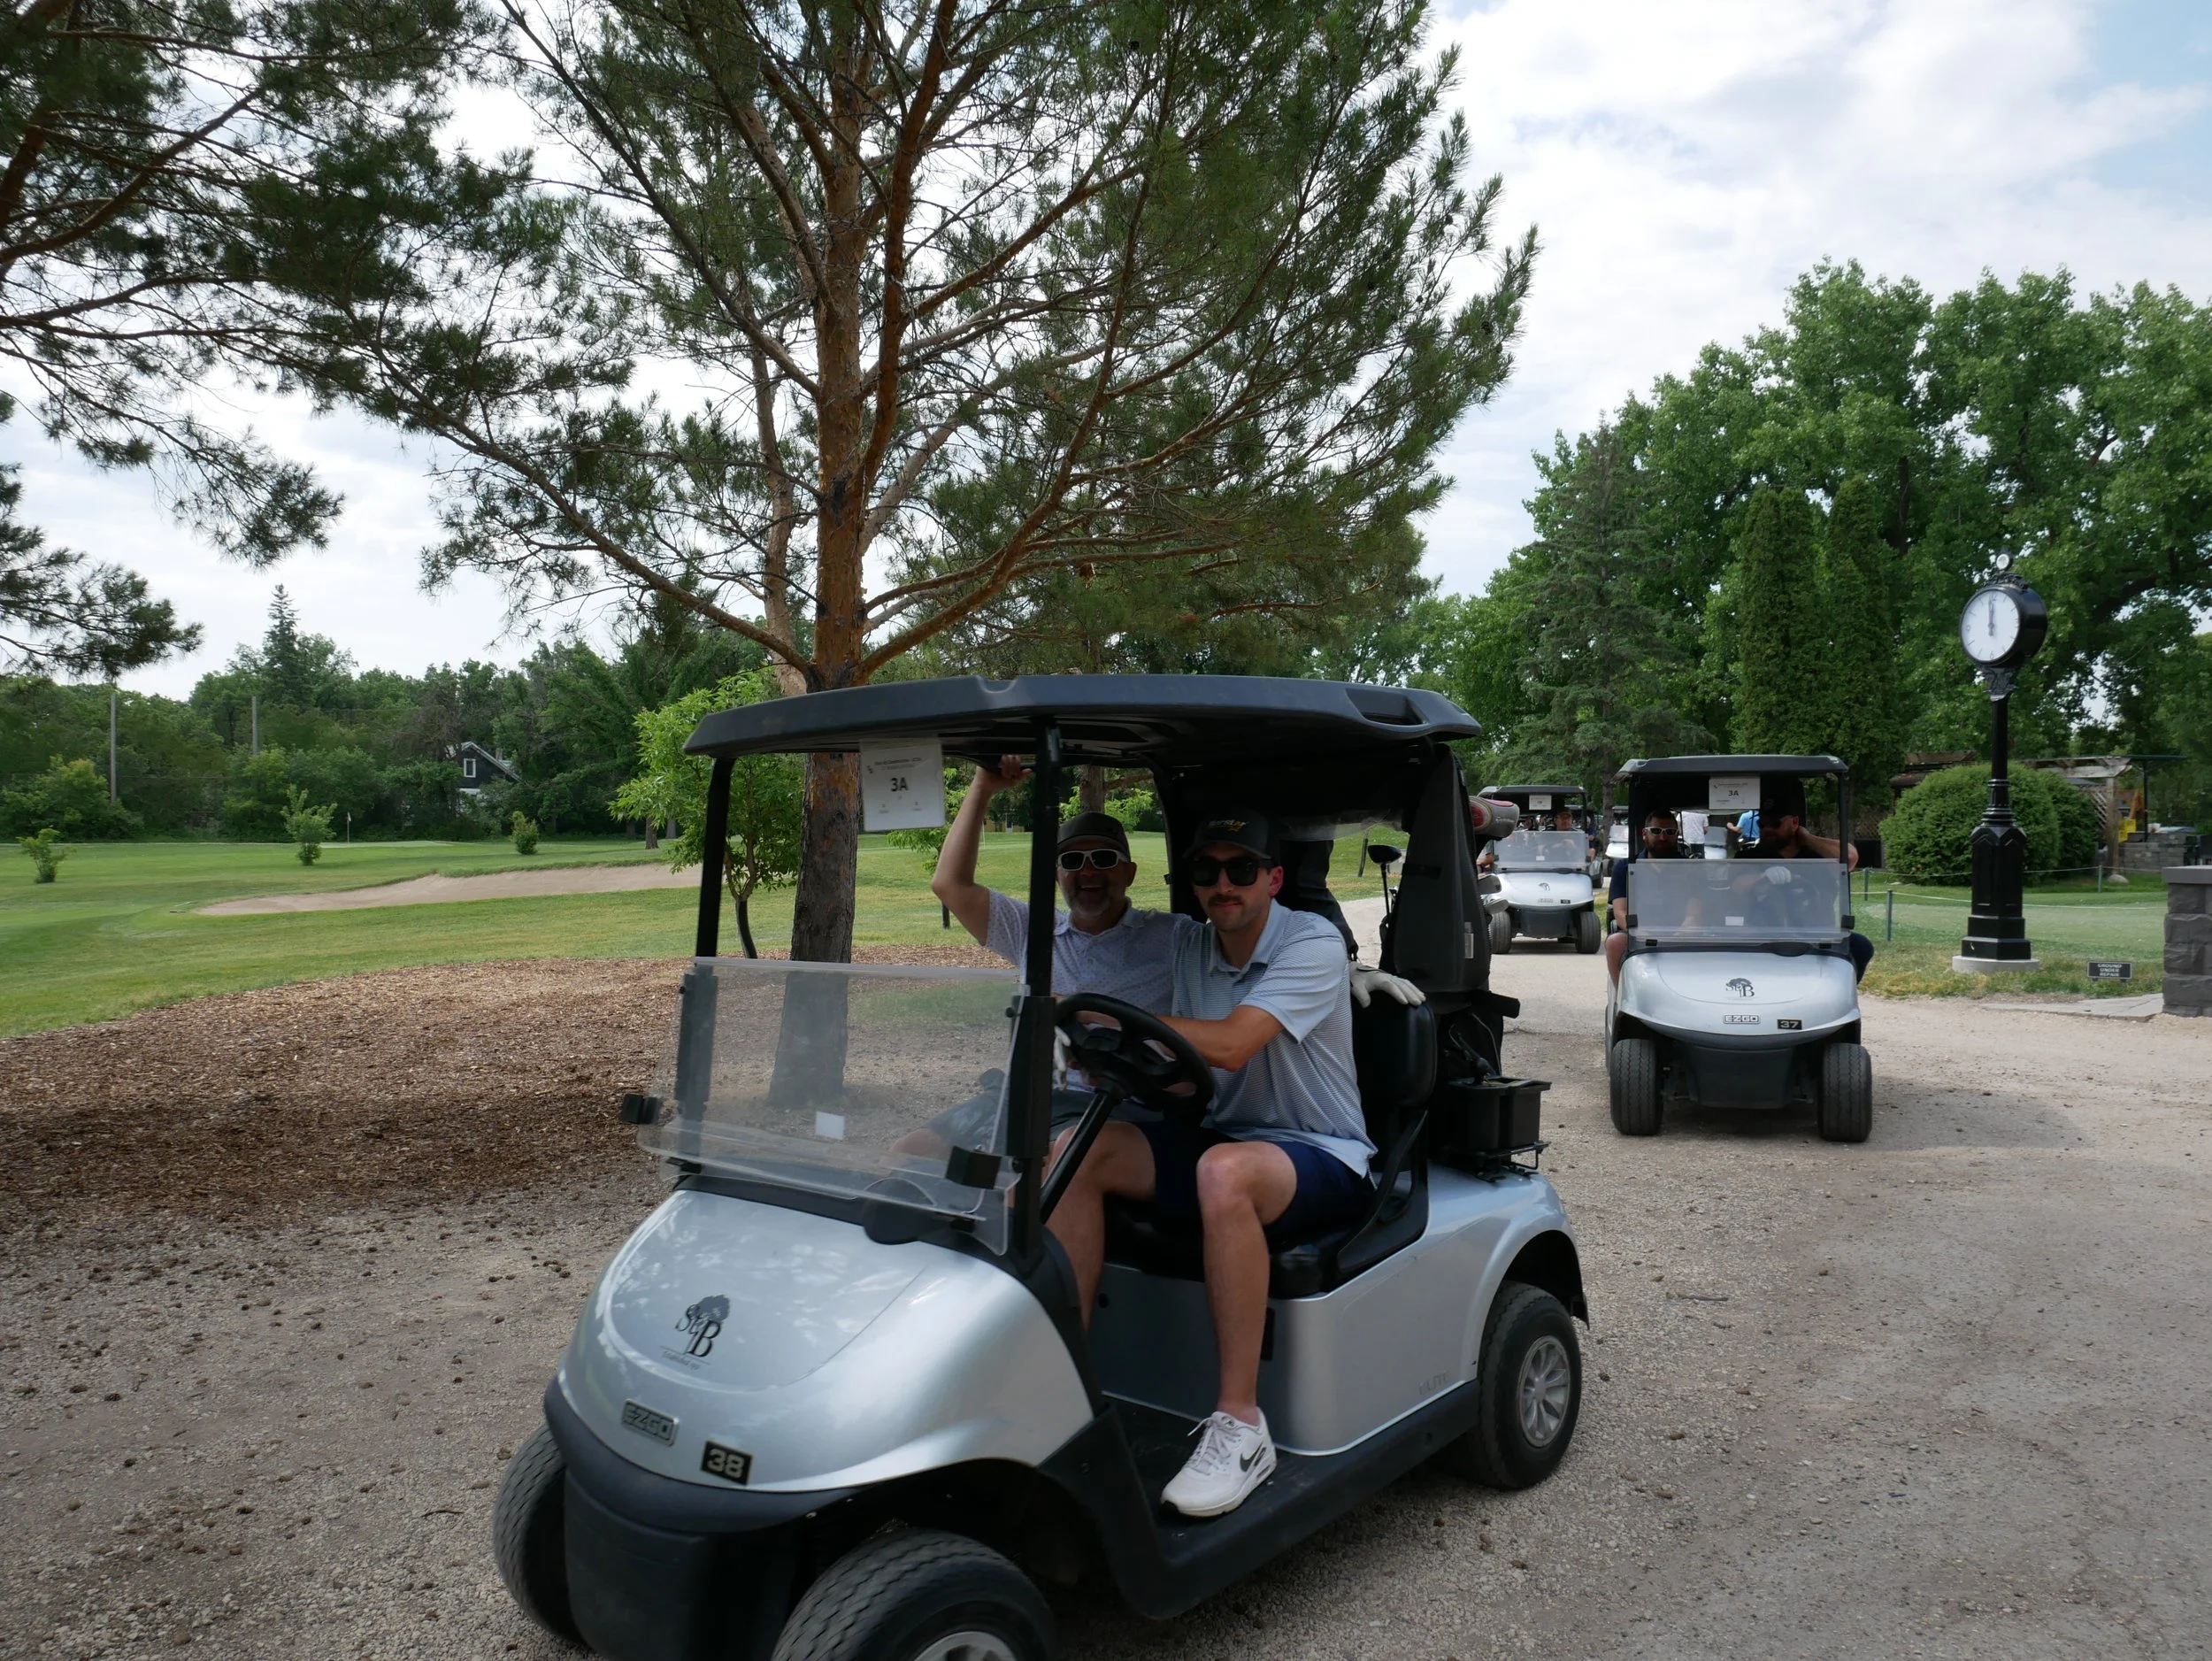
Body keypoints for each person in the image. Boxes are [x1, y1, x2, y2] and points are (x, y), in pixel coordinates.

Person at [1047, 812, 1373, 1519]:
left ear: (1273, 878)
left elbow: (1231, 1045)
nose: (1222, 885)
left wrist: (1370, 971)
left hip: (1320, 1150)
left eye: (1241, 869)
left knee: (1223, 1173)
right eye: (1206, 872)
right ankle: (1059, 1384)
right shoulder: (1191, 946)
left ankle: (1241, 1425)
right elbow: (1106, 946)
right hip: (1224, 1134)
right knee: (1076, 1150)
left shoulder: (1310, 941)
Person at [1737, 781, 1875, 981]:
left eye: (1775, 824)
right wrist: (1762, 877)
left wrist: (1807, 838)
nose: (1768, 830)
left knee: (1861, 946)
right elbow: (1737, 885)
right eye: (1762, 825)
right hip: (1765, 935)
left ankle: (1840, 997)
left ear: (1794, 822)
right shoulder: (1752, 856)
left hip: (1816, 936)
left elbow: (1851, 858)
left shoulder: (1818, 855)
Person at [1605, 810, 1686, 983]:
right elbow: (1621, 911)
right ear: (1644, 833)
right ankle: (1623, 999)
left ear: (1677, 835)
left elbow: (1696, 910)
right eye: (1656, 831)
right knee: (1614, 943)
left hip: (1682, 933)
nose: (1663, 838)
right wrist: (1639, 931)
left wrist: (1687, 928)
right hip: (1640, 932)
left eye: (1670, 832)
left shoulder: (1690, 868)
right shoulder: (1626, 867)